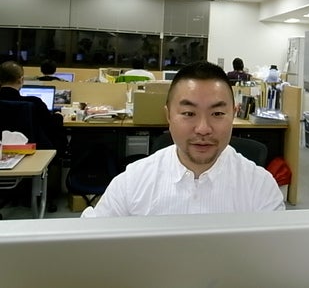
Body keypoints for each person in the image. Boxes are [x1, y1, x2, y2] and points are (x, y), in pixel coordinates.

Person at [81, 60, 285, 217]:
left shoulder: (260, 187)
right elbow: (90, 242)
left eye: (217, 113)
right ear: (168, 116)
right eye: (188, 113)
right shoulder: (132, 182)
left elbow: (275, 254)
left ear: (234, 114)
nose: (203, 129)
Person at [0, 60, 67, 211]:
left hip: (2, 153)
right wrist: (58, 116)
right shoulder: (33, 102)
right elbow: (51, 125)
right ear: (21, 80)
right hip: (30, 152)